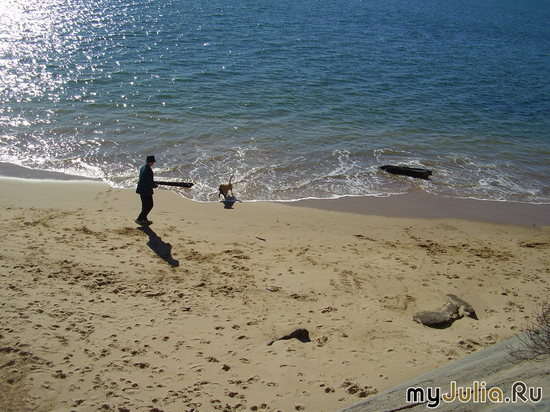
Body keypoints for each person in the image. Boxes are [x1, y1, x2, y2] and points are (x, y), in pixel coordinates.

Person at [135, 155, 158, 225]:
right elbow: (150, 183)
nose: (153, 163)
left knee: (145, 206)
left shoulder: (143, 167)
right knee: (150, 205)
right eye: (153, 162)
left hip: (141, 189)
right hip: (146, 191)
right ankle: (139, 219)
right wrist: (155, 185)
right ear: (150, 162)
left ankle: (144, 219)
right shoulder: (148, 170)